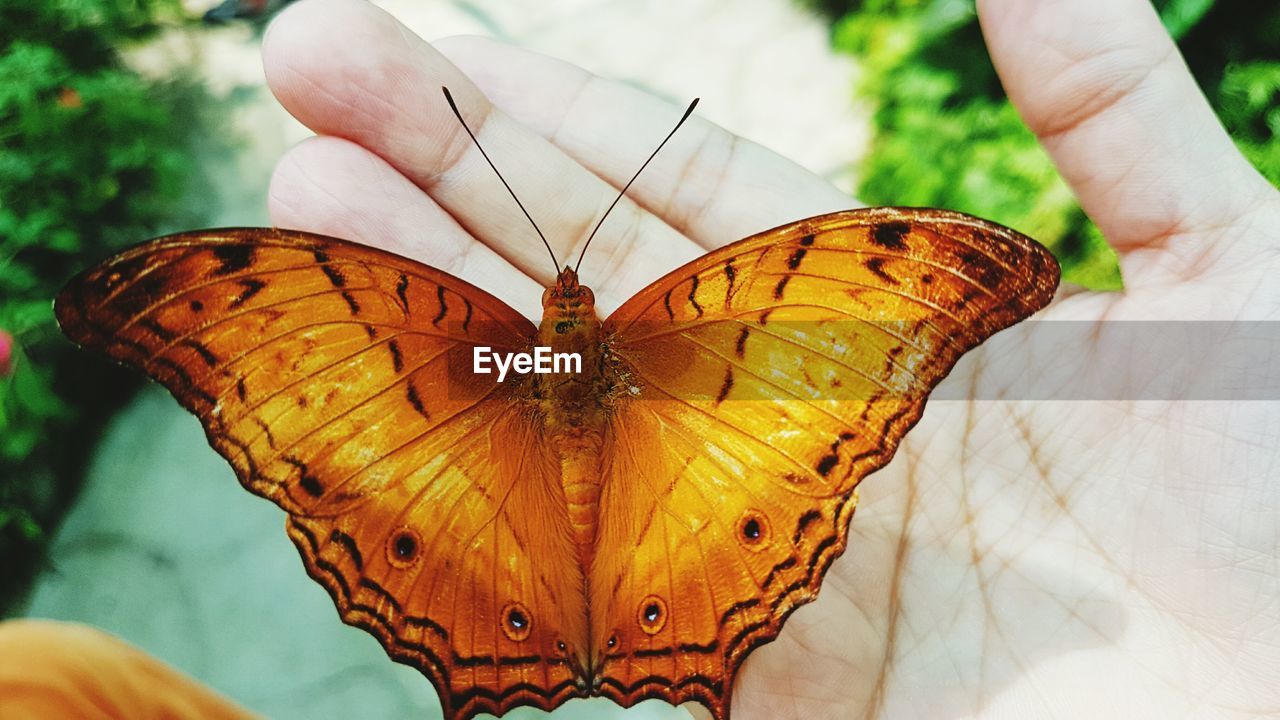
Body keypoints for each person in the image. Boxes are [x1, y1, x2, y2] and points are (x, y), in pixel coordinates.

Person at [3, 0, 1276, 717]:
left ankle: (543, 630)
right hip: (638, 482)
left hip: (472, 470)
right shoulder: (705, 314)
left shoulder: (445, 336)